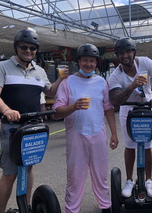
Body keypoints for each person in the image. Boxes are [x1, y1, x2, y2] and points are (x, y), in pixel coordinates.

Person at [0, 29, 68, 213]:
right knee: (10, 173)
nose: (28, 51)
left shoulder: (39, 70)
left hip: (32, 127)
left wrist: (61, 80)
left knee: (28, 169)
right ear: (16, 47)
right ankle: (1, 211)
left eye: (32, 48)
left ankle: (27, 207)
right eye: (24, 47)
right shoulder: (2, 67)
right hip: (12, 127)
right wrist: (7, 110)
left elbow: (50, 92)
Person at [52, 43, 118, 213]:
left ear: (96, 63)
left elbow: (108, 108)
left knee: (100, 174)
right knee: (74, 176)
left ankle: (105, 207)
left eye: (92, 61)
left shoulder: (101, 82)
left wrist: (114, 134)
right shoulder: (67, 82)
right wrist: (73, 107)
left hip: (98, 134)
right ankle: (72, 209)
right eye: (85, 60)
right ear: (79, 61)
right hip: (76, 135)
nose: (88, 64)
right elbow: (57, 112)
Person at [108, 37, 152, 198]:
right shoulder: (115, 75)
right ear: (117, 56)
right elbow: (116, 100)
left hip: (147, 109)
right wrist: (132, 85)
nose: (125, 55)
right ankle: (129, 180)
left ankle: (148, 180)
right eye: (121, 53)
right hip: (128, 111)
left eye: (128, 51)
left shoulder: (145, 63)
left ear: (134, 52)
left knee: (147, 146)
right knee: (130, 146)